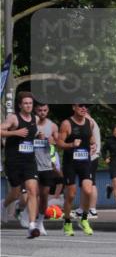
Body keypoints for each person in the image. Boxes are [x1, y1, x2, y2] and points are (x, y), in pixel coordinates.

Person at [1, 92, 42, 238]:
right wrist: (15, 132)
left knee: (32, 190)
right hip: (13, 160)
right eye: (25, 103)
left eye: (30, 103)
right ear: (20, 105)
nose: (28, 106)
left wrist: (40, 136)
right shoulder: (13, 118)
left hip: (29, 161)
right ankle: (3, 205)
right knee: (16, 193)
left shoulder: (36, 118)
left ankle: (32, 226)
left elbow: (32, 134)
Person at [55, 103, 97, 236]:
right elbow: (59, 143)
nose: (84, 108)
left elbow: (91, 138)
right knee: (71, 195)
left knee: (88, 190)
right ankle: (67, 222)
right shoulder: (67, 124)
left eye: (86, 106)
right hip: (70, 163)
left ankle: (84, 219)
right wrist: (71, 144)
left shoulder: (89, 122)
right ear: (74, 107)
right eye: (81, 106)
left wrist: (93, 145)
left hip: (85, 162)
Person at [32, 101, 60, 235]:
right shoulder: (30, 124)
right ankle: (31, 220)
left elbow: (59, 142)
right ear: (35, 110)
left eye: (44, 110)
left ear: (47, 111)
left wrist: (53, 141)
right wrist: (34, 136)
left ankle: (40, 222)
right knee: (33, 194)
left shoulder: (53, 126)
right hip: (31, 165)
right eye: (39, 110)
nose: (42, 113)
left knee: (44, 196)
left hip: (46, 166)